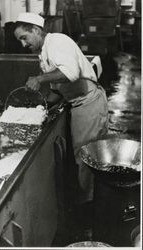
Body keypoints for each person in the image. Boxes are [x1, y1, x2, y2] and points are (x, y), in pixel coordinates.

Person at [14, 12, 109, 203]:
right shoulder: (43, 53)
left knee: (86, 158)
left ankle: (90, 209)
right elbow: (57, 89)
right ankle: (89, 200)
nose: (23, 44)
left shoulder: (57, 42)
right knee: (83, 157)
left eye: (24, 38)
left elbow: (71, 73)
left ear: (35, 30)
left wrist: (39, 79)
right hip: (76, 103)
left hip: (88, 102)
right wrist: (41, 109)